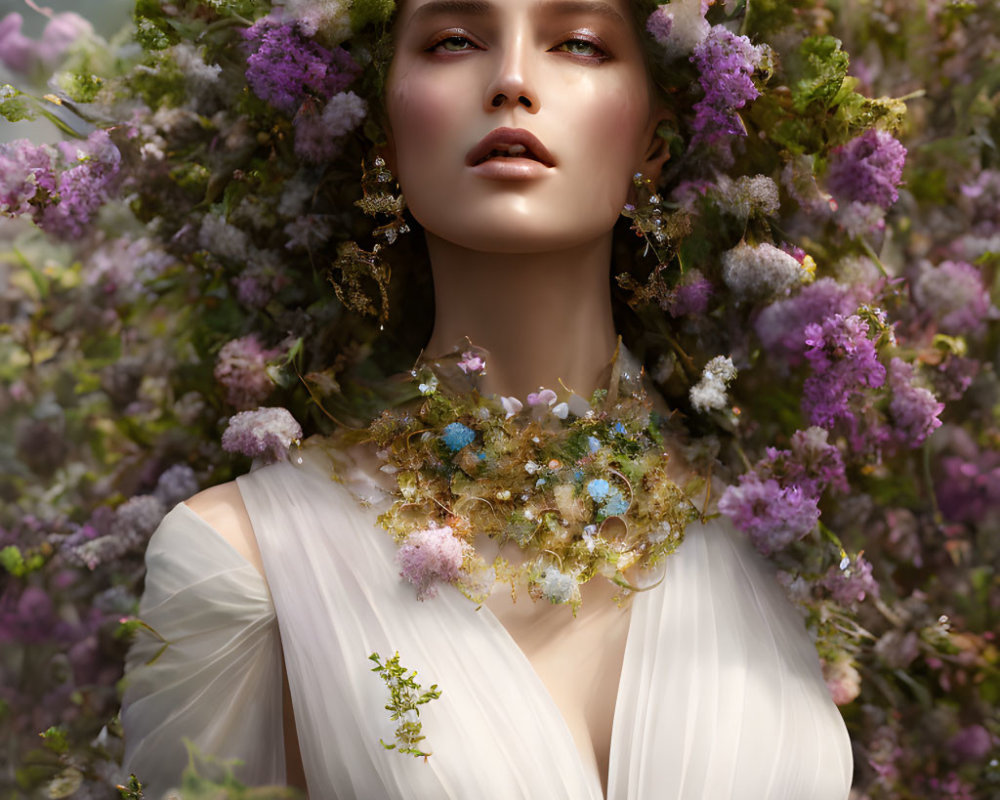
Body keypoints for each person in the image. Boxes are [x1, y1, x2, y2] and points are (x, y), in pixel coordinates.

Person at [121, 0, 854, 797]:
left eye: (578, 43)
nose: (511, 81)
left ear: (656, 140)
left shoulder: (775, 535)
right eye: (455, 41)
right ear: (384, 140)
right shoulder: (242, 562)